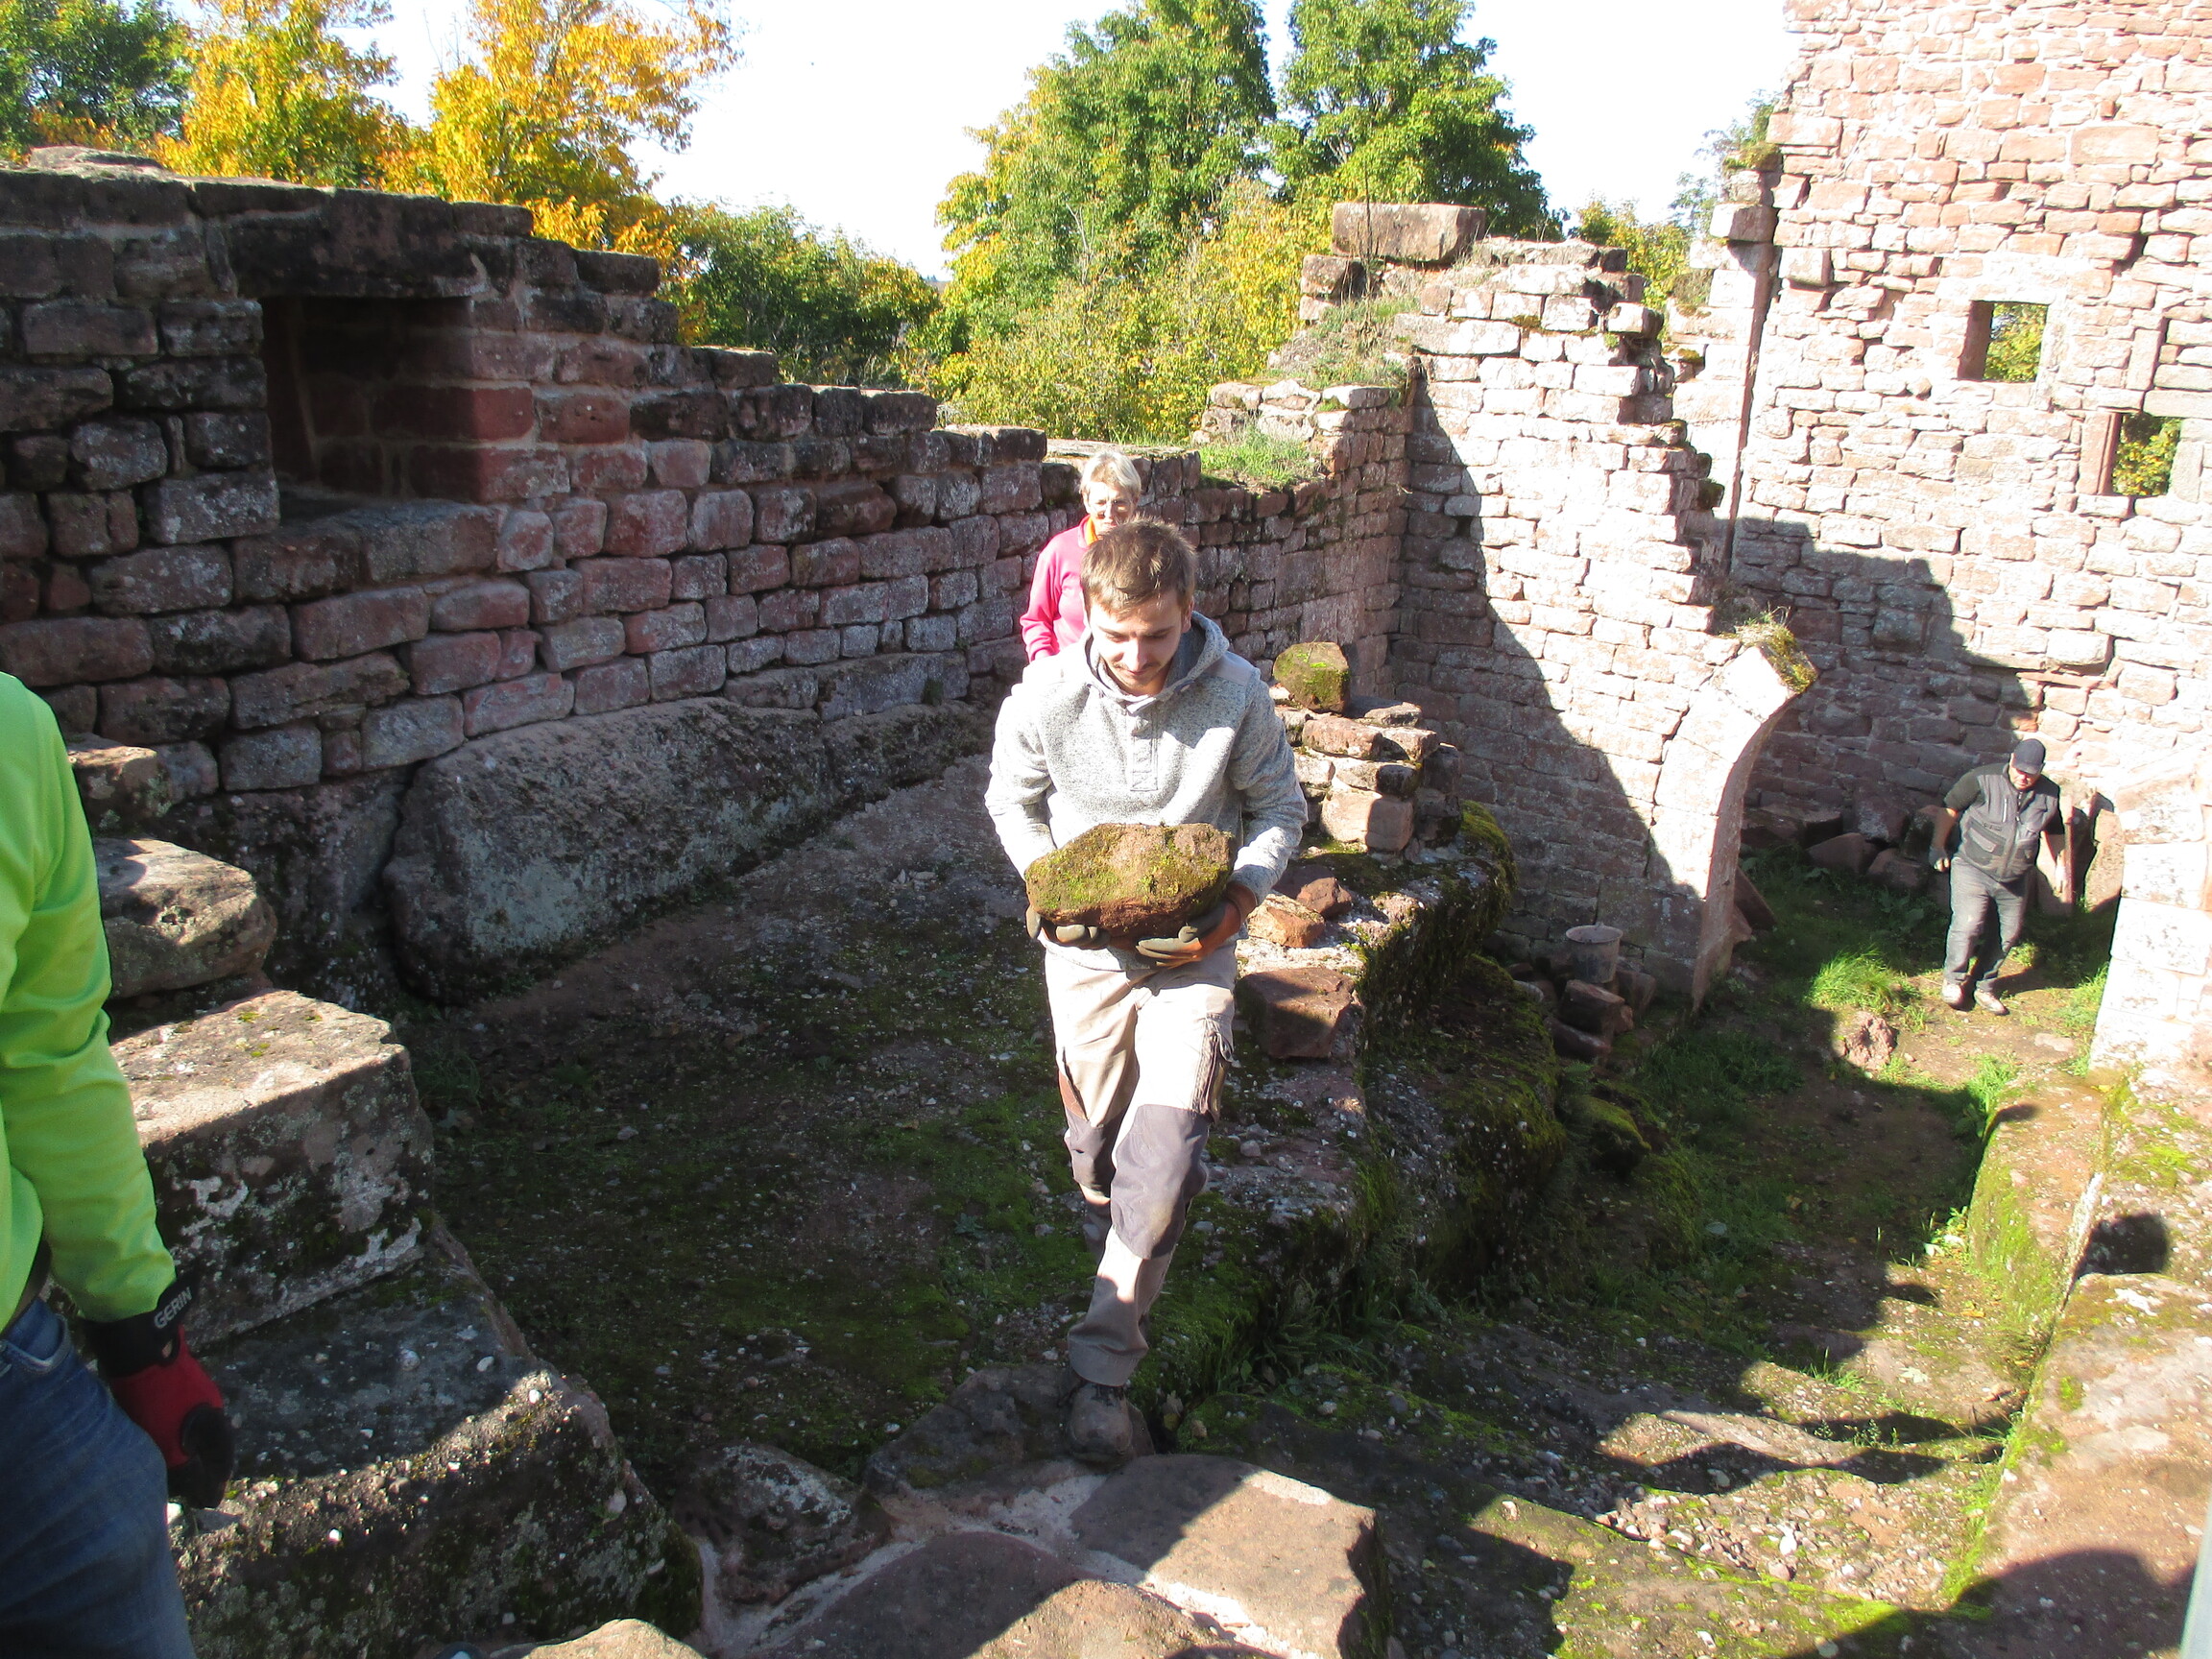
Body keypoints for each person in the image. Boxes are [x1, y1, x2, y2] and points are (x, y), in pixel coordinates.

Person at [986, 519, 1306, 1462]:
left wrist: (1234, 908)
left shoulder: (1237, 696)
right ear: (1087, 613)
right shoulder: (1046, 697)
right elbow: (1011, 797)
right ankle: (1110, 1201)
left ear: (1188, 610)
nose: (1136, 657)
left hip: (1191, 957)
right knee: (1098, 1156)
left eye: (1158, 635)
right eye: (1117, 636)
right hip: (1085, 957)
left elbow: (1278, 810)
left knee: (1164, 1165)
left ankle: (1104, 1370)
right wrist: (1047, 883)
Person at [1, 671, 234, 1658]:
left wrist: (143, 1332)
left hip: (12, 1385)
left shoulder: (9, 734)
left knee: (109, 1556)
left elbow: (51, 1057)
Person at [1932, 736, 2070, 1015]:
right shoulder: (1981, 780)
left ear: (2041, 771)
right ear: (2012, 761)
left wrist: (2062, 866)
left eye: (2031, 773)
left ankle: (1984, 986)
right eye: (2020, 770)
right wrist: (1937, 846)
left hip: (2015, 877)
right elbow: (1949, 809)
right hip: (1972, 866)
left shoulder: (2050, 794)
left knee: (2008, 933)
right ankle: (1954, 980)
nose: (2024, 777)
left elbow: (2055, 830)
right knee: (1968, 924)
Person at [1020, 448, 1142, 661]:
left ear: (1135, 500)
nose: (1109, 513)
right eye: (1101, 503)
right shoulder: (1059, 552)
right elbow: (1036, 621)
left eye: (1119, 502)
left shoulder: (1150, 553)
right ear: (1086, 501)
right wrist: (1045, 665)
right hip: (1070, 670)